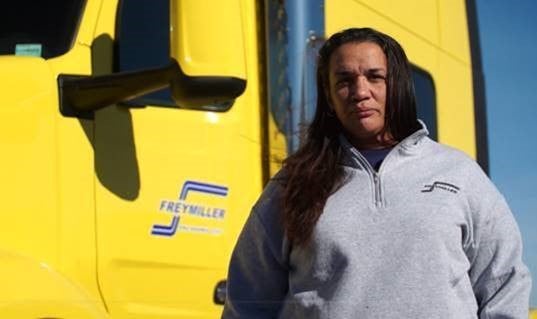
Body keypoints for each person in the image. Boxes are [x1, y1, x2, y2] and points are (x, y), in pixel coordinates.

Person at [222, 27, 531, 318]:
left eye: (374, 77)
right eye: (344, 80)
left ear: (395, 84)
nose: (360, 91)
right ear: (329, 96)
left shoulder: (458, 174)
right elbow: (247, 300)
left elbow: (504, 280)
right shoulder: (293, 183)